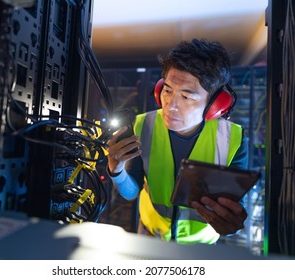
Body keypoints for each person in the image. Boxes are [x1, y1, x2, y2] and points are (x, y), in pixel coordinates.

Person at [106, 38, 248, 244]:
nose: (170, 106)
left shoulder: (232, 139)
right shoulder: (143, 125)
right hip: (151, 235)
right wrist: (116, 170)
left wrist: (231, 224)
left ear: (215, 105)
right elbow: (131, 192)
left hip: (201, 247)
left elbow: (233, 209)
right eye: (168, 90)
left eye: (186, 97)